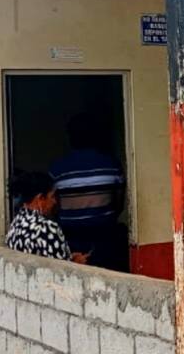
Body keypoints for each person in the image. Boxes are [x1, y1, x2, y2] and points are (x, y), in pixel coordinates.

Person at [49, 114, 127, 270]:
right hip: (105, 239)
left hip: (70, 240)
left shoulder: (57, 169)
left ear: (71, 138)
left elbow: (53, 207)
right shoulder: (111, 165)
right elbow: (119, 204)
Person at [6, 172, 88, 264]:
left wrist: (69, 258)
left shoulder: (17, 222)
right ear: (40, 198)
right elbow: (60, 269)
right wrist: (76, 263)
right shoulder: (47, 228)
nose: (54, 201)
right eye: (52, 196)